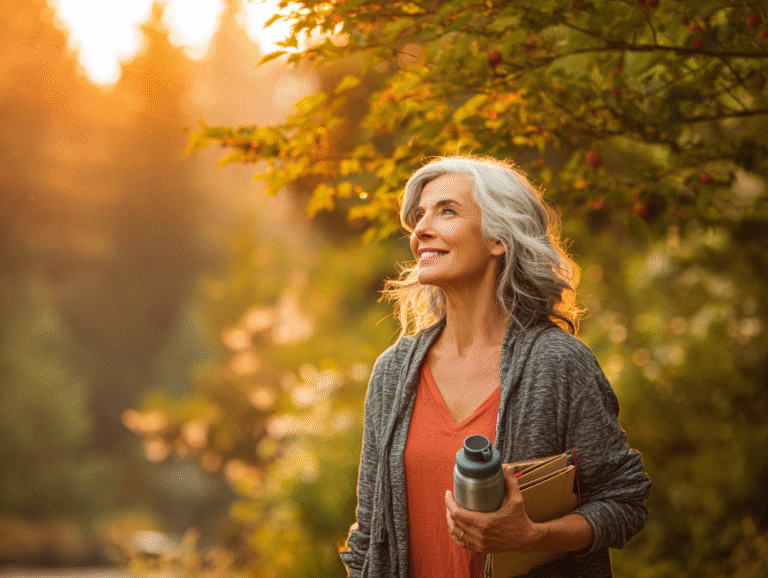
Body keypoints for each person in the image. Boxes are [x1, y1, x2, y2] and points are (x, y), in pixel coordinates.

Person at [339, 155, 651, 578]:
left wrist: (532, 537)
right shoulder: (392, 373)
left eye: (447, 211)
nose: (421, 231)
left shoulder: (557, 363)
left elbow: (625, 501)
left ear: (498, 239)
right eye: (419, 216)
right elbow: (368, 538)